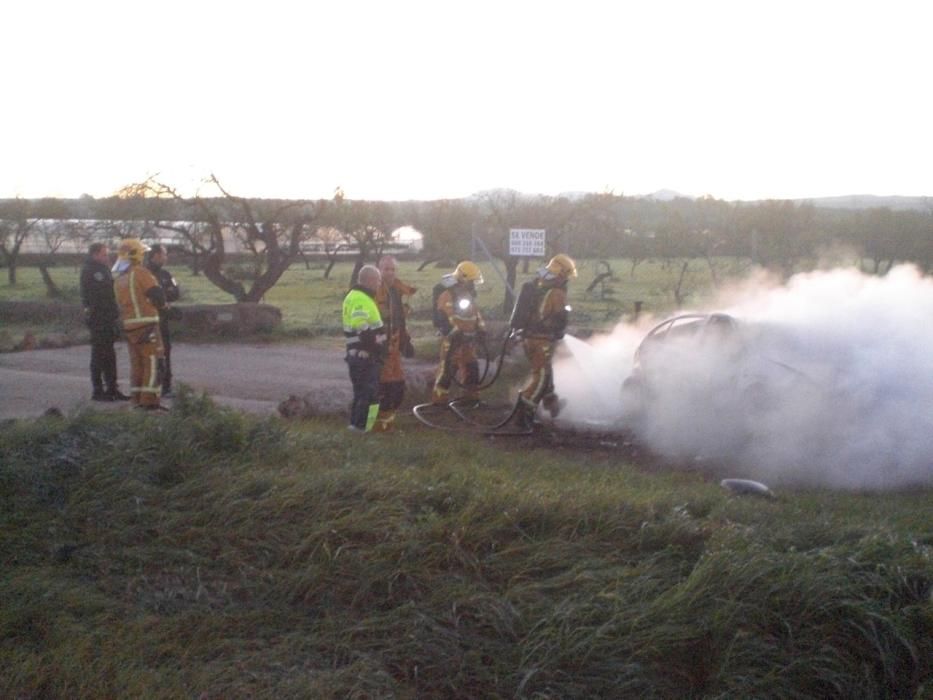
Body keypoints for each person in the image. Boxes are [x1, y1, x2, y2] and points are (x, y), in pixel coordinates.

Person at [514, 254, 577, 430]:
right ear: (561, 274)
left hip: (529, 338)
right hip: (541, 340)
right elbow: (559, 317)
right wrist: (559, 327)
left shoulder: (538, 284)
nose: (566, 279)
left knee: (545, 374)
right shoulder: (557, 292)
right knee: (541, 378)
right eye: (565, 275)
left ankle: (551, 404)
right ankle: (524, 414)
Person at [112, 239, 168, 411]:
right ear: (137, 255)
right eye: (143, 253)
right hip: (147, 325)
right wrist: (167, 308)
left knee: (137, 364)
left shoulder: (119, 280)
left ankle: (136, 400)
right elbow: (157, 295)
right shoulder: (141, 273)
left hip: (130, 327)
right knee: (153, 363)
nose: (144, 256)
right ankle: (149, 402)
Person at [79, 242, 129, 401]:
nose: (107, 257)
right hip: (98, 318)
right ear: (95, 254)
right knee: (99, 355)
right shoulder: (91, 271)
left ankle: (112, 388)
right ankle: (98, 390)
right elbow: (101, 295)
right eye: (104, 254)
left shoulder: (103, 269)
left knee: (109, 355)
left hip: (108, 318)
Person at [372, 255, 417, 432]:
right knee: (383, 387)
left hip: (396, 343)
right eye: (386, 269)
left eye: (392, 269)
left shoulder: (398, 291)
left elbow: (399, 319)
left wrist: (406, 340)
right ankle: (376, 427)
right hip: (381, 345)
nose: (390, 272)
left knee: (397, 387)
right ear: (379, 270)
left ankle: (387, 425)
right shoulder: (374, 291)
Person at [432, 261, 486, 405]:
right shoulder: (447, 294)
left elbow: (475, 313)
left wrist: (481, 328)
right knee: (448, 369)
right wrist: (457, 332)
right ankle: (439, 400)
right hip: (453, 339)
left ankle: (471, 398)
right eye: (471, 281)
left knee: (471, 366)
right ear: (462, 279)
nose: (473, 285)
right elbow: (447, 316)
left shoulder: (467, 294)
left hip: (468, 338)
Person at [342, 265, 387, 431]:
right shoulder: (361, 299)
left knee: (360, 393)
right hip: (365, 355)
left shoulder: (354, 296)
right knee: (369, 394)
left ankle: (357, 426)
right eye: (378, 280)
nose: (379, 284)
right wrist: (374, 347)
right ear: (370, 280)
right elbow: (360, 326)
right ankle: (364, 428)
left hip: (356, 354)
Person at [146, 244, 181, 397]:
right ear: (156, 255)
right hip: (150, 320)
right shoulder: (145, 274)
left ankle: (166, 386)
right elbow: (152, 296)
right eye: (164, 254)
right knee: (152, 354)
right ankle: (153, 387)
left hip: (163, 319)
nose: (166, 257)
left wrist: (164, 294)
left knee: (165, 352)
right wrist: (163, 294)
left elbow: (175, 293)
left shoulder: (166, 274)